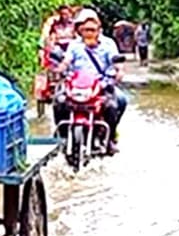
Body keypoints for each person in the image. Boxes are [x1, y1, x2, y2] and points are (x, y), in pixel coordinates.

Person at [53, 8, 128, 154]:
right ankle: (61, 136)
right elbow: (67, 61)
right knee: (59, 101)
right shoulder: (74, 45)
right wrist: (60, 68)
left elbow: (116, 61)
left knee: (119, 102)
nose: (88, 33)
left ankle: (110, 138)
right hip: (76, 86)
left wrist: (119, 71)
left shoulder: (108, 44)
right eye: (85, 29)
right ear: (80, 30)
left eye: (92, 29)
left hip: (101, 85)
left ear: (99, 29)